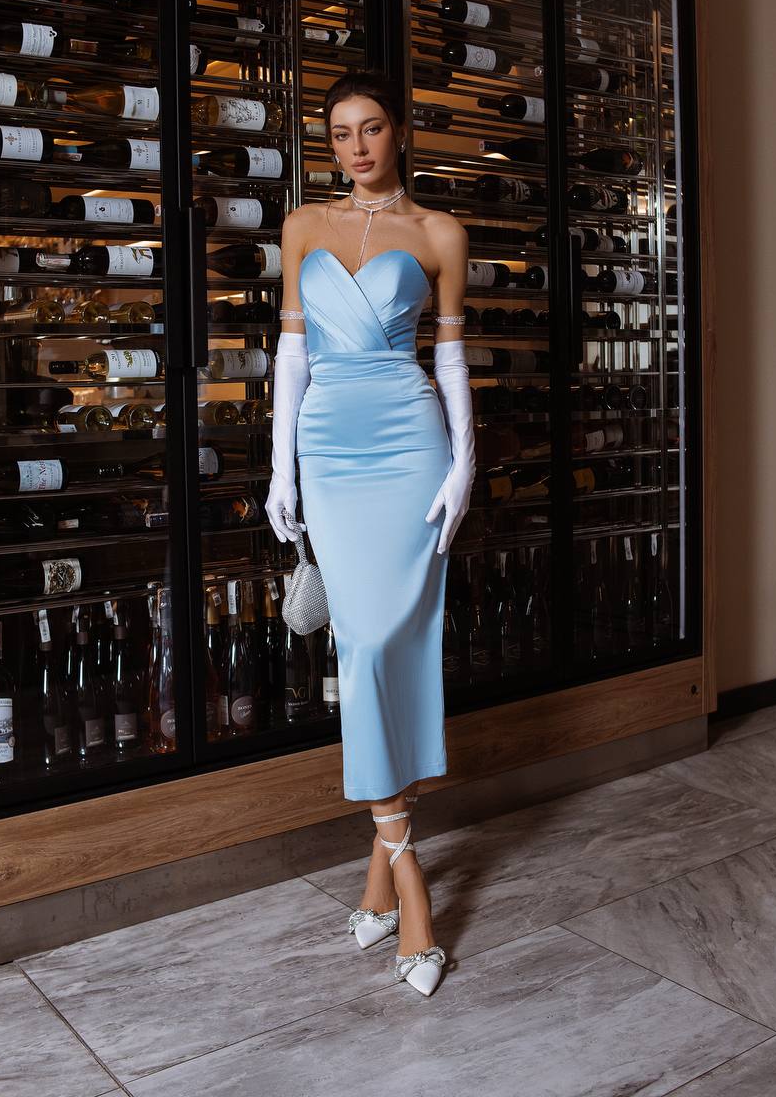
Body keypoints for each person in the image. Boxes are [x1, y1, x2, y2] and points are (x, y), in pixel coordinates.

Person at [265, 69, 475, 997]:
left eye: (372, 128)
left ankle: (384, 876)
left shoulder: (438, 235)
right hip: (331, 452)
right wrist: (278, 473)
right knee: (361, 649)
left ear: (400, 134)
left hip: (411, 445)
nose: (356, 147)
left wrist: (465, 464)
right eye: (342, 132)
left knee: (398, 642)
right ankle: (409, 878)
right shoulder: (303, 227)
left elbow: (455, 357)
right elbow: (292, 356)